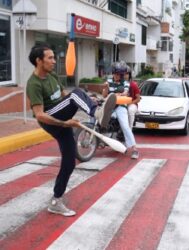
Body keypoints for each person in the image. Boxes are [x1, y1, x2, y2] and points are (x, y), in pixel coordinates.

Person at [26, 44, 116, 216]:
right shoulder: (34, 84)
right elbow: (39, 115)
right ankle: (96, 113)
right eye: (50, 58)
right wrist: (65, 122)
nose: (54, 61)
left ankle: (56, 200)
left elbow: (63, 96)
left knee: (69, 162)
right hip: (50, 119)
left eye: (54, 57)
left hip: (60, 116)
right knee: (76, 93)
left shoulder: (51, 75)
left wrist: (85, 99)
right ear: (39, 61)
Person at [103, 61, 139, 159]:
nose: (118, 75)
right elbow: (104, 95)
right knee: (97, 117)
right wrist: (106, 88)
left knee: (125, 126)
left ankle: (134, 149)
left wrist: (115, 94)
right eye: (117, 73)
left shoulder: (126, 83)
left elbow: (125, 93)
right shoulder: (108, 81)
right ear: (113, 73)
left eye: (120, 74)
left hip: (120, 107)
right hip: (109, 106)